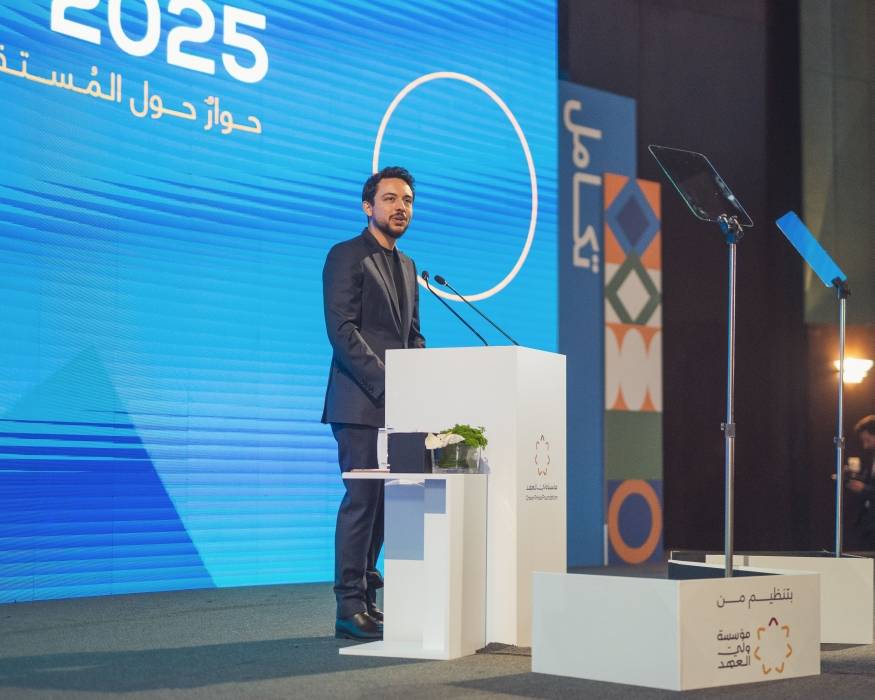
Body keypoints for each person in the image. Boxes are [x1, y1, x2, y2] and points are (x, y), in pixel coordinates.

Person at [321, 166, 426, 640]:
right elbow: (342, 331)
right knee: (362, 501)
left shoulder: (408, 266)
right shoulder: (346, 255)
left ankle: (367, 597)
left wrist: (422, 383)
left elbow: (413, 336)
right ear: (368, 207)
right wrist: (389, 384)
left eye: (407, 200)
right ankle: (348, 606)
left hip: (401, 406)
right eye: (390, 199)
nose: (400, 207)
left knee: (386, 506)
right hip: (359, 402)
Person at [847, 415, 875, 545]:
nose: (865, 446)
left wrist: (864, 488)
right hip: (867, 523)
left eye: (867, 440)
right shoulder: (870, 459)